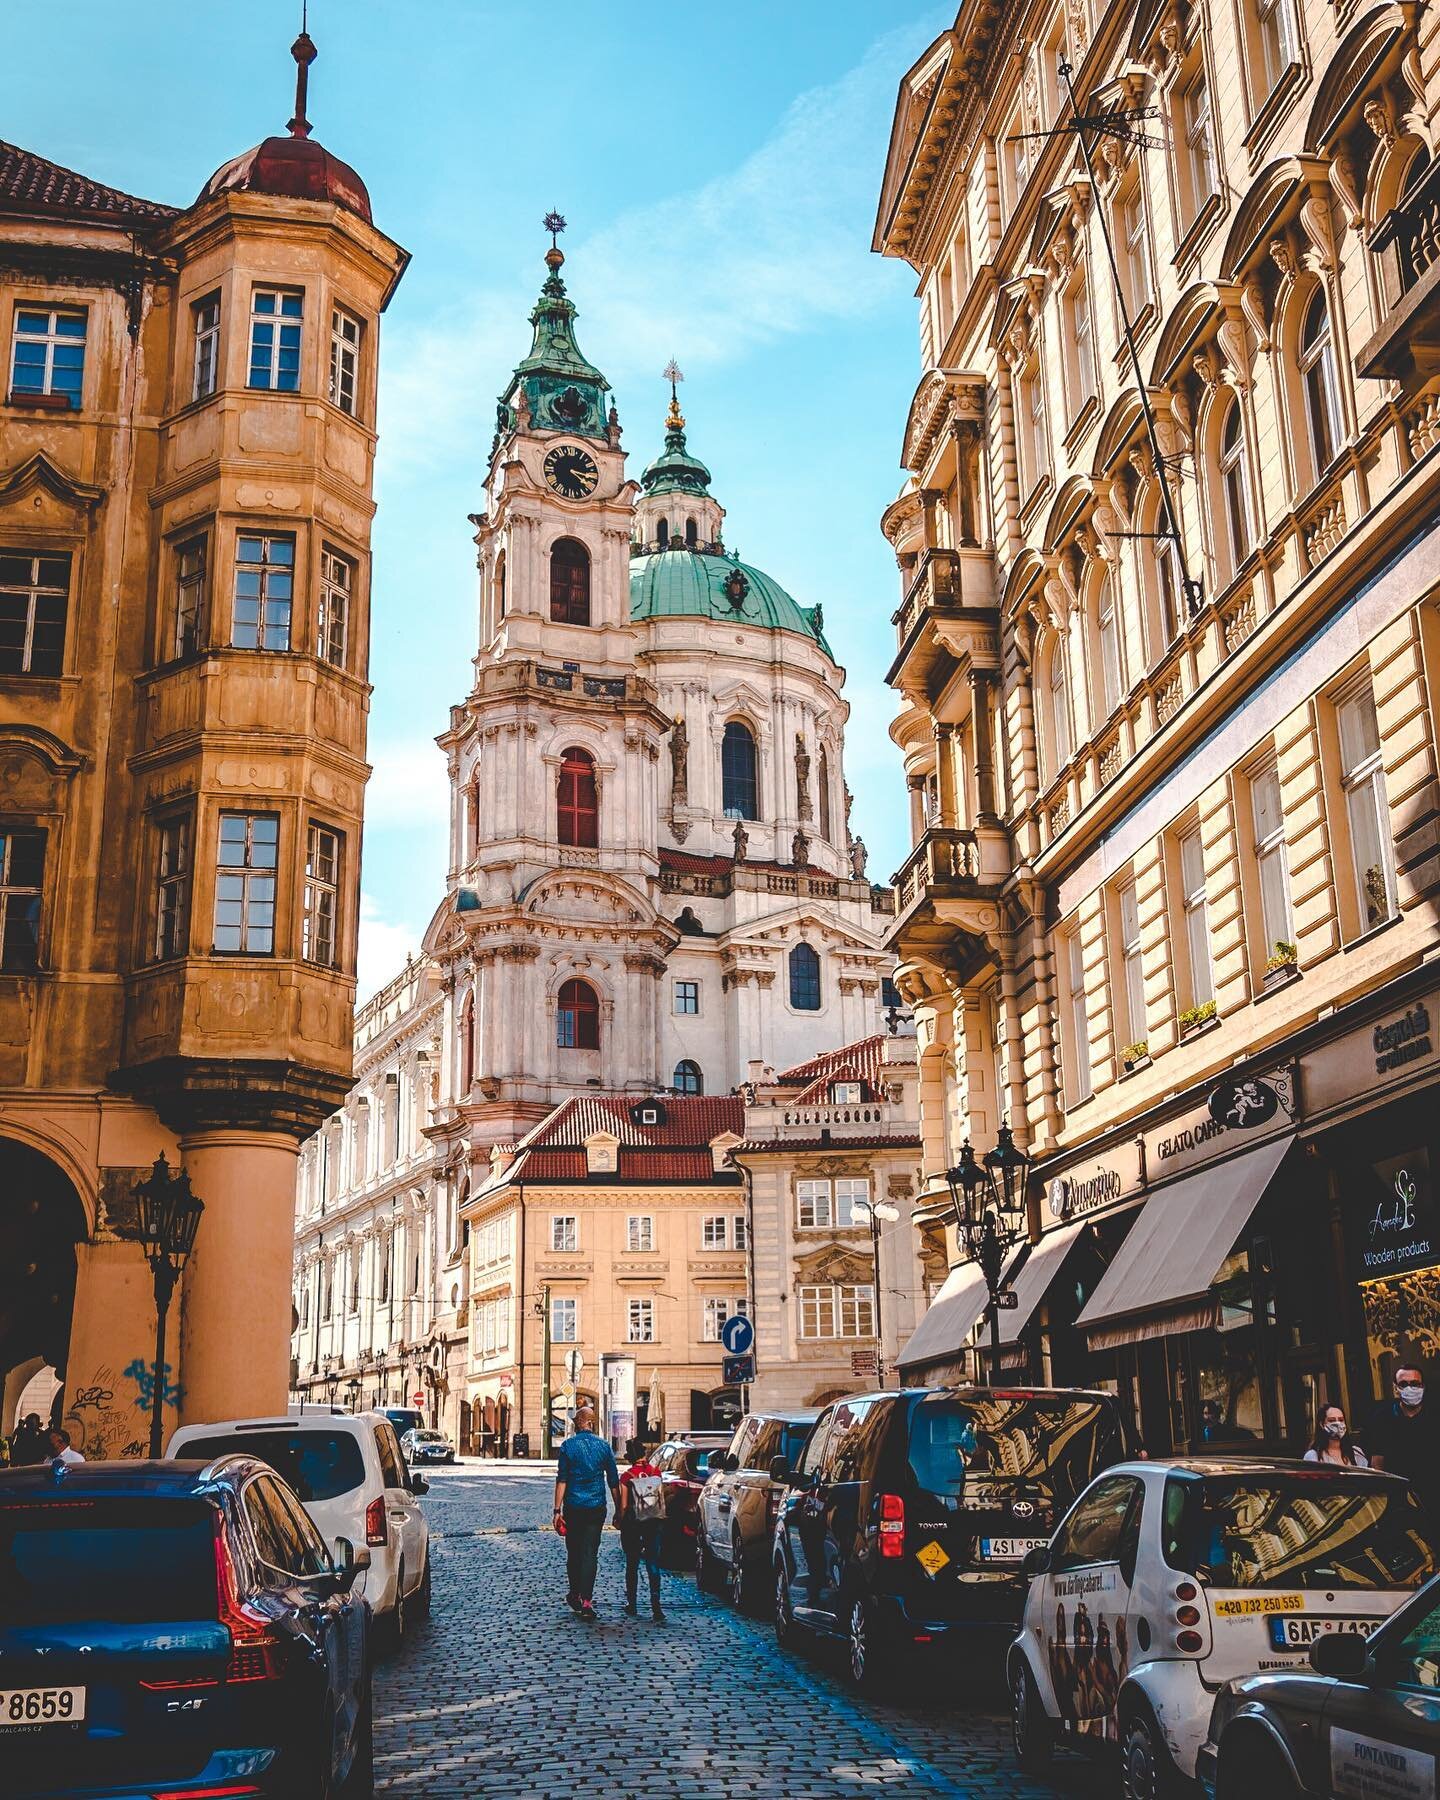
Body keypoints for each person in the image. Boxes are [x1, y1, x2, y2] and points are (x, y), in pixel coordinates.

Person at [553, 1405, 620, 1622]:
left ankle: (574, 1593)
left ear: (578, 1424)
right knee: (590, 1553)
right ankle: (587, 1601)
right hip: (595, 1507)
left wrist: (556, 1510)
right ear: (591, 1423)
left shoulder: (567, 1446)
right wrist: (619, 1510)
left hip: (573, 1508)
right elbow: (613, 1481)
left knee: (574, 1553)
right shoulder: (604, 1447)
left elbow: (562, 1479)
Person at [1371, 1363, 1440, 1509]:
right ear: (1395, 1388)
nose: (1410, 1388)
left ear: (1423, 1386)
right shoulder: (1382, 1418)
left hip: (1434, 1495)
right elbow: (1377, 1463)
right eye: (1403, 1384)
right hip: (1397, 1498)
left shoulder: (1435, 1415)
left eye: (1415, 1383)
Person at [618, 1451, 666, 1624]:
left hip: (633, 1524)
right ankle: (656, 1606)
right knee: (653, 1563)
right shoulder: (656, 1472)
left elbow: (623, 1505)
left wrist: (620, 1520)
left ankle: (632, 1603)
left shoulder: (627, 1477)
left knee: (632, 1563)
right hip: (653, 1521)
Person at [1304, 1403, 1368, 1467]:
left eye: (1341, 1420)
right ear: (1322, 1424)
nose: (1338, 1423)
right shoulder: (1313, 1456)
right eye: (1332, 1420)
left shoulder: (1356, 1453)